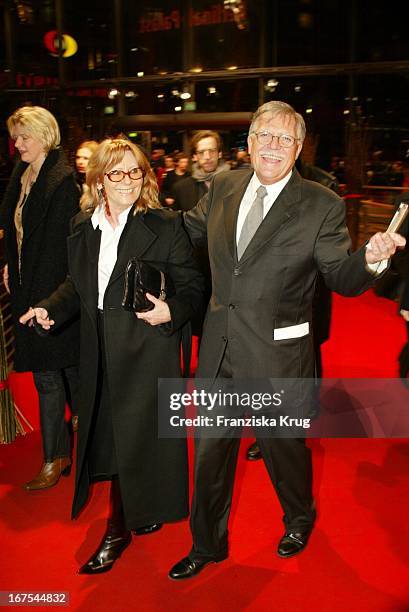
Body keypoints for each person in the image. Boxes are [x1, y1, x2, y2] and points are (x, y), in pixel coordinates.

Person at [168, 100, 405, 580]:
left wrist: (371, 257)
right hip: (219, 350)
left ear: (297, 149)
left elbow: (341, 276)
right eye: (265, 136)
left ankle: (299, 516)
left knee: (283, 449)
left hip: (277, 353)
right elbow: (182, 230)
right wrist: (126, 216)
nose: (273, 146)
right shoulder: (224, 186)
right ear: (250, 143)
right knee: (211, 454)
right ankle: (206, 544)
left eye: (285, 139)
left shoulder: (321, 203)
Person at [20, 138, 204, 574]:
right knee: (110, 435)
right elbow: (78, 286)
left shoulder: (165, 223)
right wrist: (50, 307)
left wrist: (171, 311)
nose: (126, 181)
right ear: (99, 179)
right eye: (116, 173)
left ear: (145, 177)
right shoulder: (82, 226)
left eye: (134, 171)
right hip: (99, 344)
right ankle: (138, 511)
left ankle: (117, 527)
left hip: (147, 348)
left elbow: (195, 287)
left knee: (134, 439)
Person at [0, 106, 80, 490]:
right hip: (26, 287)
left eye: (23, 137)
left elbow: (61, 249)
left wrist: (47, 301)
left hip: (49, 295)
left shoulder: (62, 181)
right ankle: (72, 443)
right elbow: (15, 229)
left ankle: (56, 456)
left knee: (53, 375)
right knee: (62, 372)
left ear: (43, 135)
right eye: (15, 137)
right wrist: (10, 266)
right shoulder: (22, 173)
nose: (16, 145)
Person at [171, 130, 230, 212]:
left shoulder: (235, 184)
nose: (207, 157)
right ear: (194, 157)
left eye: (212, 151)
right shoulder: (181, 189)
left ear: (219, 154)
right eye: (201, 152)